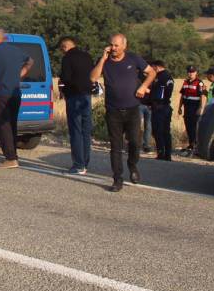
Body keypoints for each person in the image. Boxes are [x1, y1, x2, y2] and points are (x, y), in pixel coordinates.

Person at [90, 33, 156, 192]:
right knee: (115, 146)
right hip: (113, 111)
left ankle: (132, 165)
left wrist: (143, 86)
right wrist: (102, 59)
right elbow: (93, 78)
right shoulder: (104, 62)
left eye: (116, 45)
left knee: (135, 142)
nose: (113, 48)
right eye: (111, 45)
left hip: (133, 109)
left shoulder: (133, 58)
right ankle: (117, 179)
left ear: (124, 46)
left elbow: (152, 72)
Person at [0, 28, 33, 169]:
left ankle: (11, 158)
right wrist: (20, 74)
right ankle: (13, 155)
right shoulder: (16, 50)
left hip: (2, 93)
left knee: (3, 125)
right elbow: (30, 61)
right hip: (16, 93)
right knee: (12, 125)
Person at [57, 37, 93, 174]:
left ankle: (78, 165)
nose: (62, 51)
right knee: (86, 130)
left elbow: (66, 78)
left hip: (74, 96)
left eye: (62, 48)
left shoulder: (67, 58)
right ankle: (85, 162)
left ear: (65, 46)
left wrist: (64, 91)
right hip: (87, 96)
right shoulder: (87, 56)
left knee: (76, 131)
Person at [177, 65, 207, 156]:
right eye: (189, 72)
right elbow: (182, 95)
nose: (190, 74)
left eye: (192, 72)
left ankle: (195, 146)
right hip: (187, 108)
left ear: (196, 72)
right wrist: (179, 107)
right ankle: (191, 145)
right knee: (188, 127)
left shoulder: (199, 83)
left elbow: (202, 96)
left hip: (195, 108)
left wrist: (200, 108)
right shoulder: (185, 82)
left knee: (194, 128)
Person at [148, 60, 174, 161]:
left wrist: (152, 100)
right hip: (165, 107)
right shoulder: (168, 76)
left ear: (157, 67)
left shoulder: (160, 77)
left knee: (158, 131)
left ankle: (161, 153)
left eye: (153, 67)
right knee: (166, 131)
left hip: (160, 107)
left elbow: (160, 93)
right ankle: (167, 154)